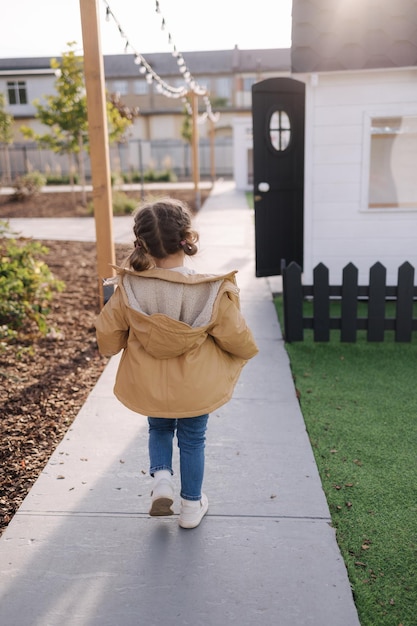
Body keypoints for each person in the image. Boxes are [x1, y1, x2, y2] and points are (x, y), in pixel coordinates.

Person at [95, 198, 258, 529]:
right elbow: (235, 335)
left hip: (151, 383)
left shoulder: (128, 288)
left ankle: (162, 480)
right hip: (195, 388)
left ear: (141, 243)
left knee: (158, 427)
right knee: (193, 440)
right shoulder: (210, 291)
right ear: (188, 237)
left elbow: (108, 338)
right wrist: (244, 352)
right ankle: (191, 507)